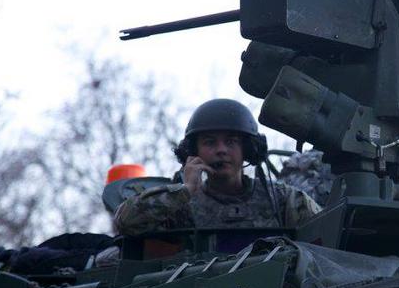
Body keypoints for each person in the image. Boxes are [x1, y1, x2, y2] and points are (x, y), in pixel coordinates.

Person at [113, 99, 321, 234]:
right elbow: (125, 223)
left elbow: (328, 235)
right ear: (194, 152)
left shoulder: (284, 200)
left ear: (248, 150)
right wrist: (184, 191)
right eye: (210, 142)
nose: (221, 150)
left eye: (231, 142)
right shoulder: (180, 205)